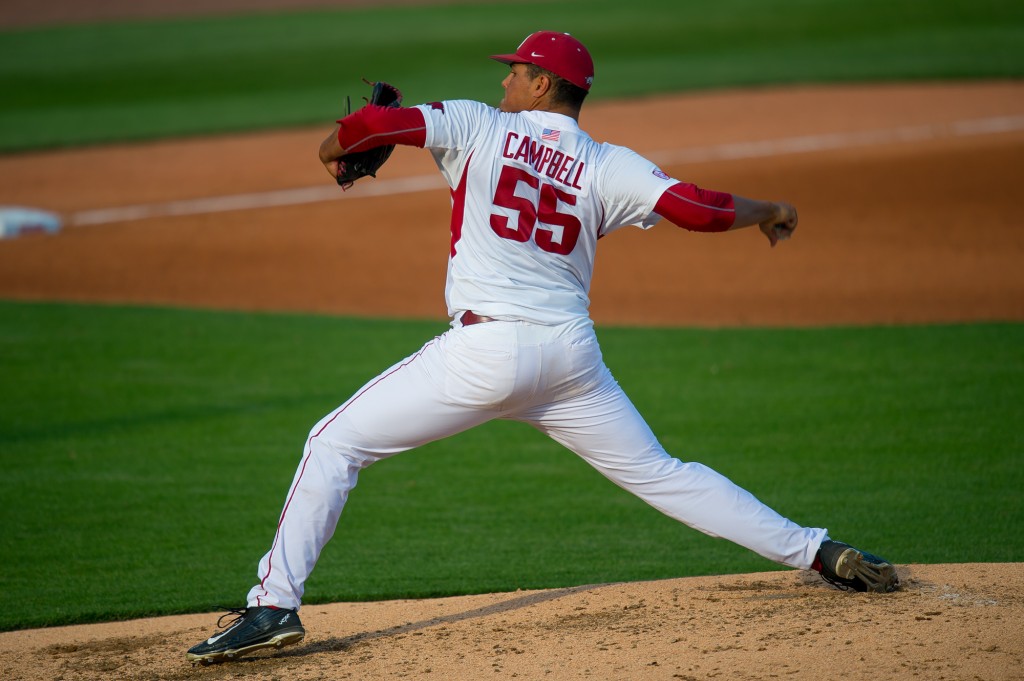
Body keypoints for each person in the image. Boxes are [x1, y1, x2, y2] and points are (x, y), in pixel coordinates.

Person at [186, 30, 898, 665]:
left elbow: (372, 124)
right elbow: (698, 209)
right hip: (569, 362)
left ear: (542, 85)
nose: (505, 79)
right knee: (663, 473)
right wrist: (771, 209)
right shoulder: (608, 163)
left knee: (332, 443)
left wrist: (331, 147)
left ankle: (273, 605)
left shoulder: (478, 124)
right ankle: (821, 551)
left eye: (516, 70)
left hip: (484, 355)